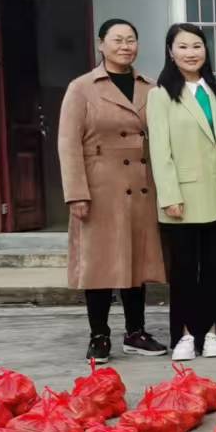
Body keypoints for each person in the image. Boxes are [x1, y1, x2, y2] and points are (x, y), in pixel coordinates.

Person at [59, 18, 168, 361]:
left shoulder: (150, 87)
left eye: (131, 39)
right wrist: (76, 192)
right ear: (101, 44)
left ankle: (135, 332)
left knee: (136, 261)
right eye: (117, 40)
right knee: (101, 263)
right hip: (100, 186)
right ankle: (99, 335)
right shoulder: (82, 87)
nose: (125, 46)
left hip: (141, 185)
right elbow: (68, 143)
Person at [146, 22, 216, 361]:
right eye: (183, 46)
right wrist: (169, 195)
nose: (191, 53)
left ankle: (213, 331)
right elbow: (160, 151)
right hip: (182, 198)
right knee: (185, 270)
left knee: (215, 268)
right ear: (171, 52)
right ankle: (185, 335)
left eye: (197, 46)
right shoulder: (160, 95)